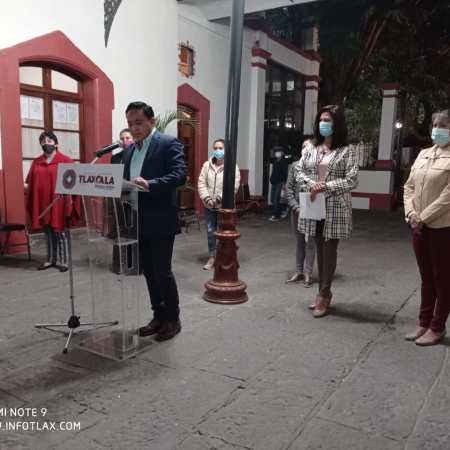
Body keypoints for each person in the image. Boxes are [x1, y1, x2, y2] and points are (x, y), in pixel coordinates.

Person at [122, 102, 186, 342]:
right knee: (148, 271)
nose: (134, 128)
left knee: (162, 271)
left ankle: (173, 319)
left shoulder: (168, 143)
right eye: (130, 124)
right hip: (136, 219)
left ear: (152, 121)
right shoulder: (129, 150)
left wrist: (151, 184)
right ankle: (158, 316)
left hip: (160, 218)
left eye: (139, 123)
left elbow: (179, 175)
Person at [297, 105, 358, 317]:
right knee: (318, 247)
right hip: (315, 204)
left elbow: (352, 180)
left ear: (337, 124)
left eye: (328, 120)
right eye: (321, 120)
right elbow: (298, 171)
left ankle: (324, 294)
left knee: (329, 250)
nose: (323, 124)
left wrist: (326, 186)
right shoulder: (311, 148)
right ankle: (322, 292)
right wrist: (312, 184)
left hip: (335, 207)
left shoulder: (347, 151)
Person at [403, 109, 450, 346]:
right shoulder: (423, 154)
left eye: (443, 125)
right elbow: (408, 187)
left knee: (442, 278)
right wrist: (411, 213)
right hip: (418, 226)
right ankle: (424, 322)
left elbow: (447, 197)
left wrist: (423, 217)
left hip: (442, 227)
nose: (437, 129)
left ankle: (437, 326)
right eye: (435, 125)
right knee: (426, 277)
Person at [26, 131, 80, 271]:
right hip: (42, 202)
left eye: (49, 141)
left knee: (60, 231)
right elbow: (30, 181)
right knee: (47, 231)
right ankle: (50, 259)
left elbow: (75, 183)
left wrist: (71, 201)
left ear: (56, 144)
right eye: (43, 141)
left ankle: (63, 261)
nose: (46, 143)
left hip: (60, 203)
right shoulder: (36, 162)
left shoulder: (66, 161)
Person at [197, 139, 241, 270]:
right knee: (211, 231)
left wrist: (218, 199)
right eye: (215, 148)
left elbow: (233, 185)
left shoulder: (232, 166)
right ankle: (212, 257)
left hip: (225, 207)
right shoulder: (207, 165)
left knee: (225, 232)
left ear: (225, 150)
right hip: (209, 206)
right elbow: (201, 183)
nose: (218, 150)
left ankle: (226, 257)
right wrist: (207, 198)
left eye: (220, 148)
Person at [285, 139, 316, 287]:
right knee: (299, 242)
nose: (306, 149)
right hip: (297, 210)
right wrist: (296, 207)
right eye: (304, 146)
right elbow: (289, 188)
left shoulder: (318, 167)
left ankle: (308, 273)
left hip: (313, 209)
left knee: (311, 242)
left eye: (309, 147)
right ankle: (298, 271)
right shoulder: (295, 166)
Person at [269, 146, 290, 221]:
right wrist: (271, 179)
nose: (276, 153)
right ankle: (281, 211)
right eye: (276, 152)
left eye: (278, 151)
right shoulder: (275, 161)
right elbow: (273, 172)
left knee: (276, 199)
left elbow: (285, 173)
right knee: (272, 199)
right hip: (274, 182)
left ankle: (276, 215)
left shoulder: (284, 162)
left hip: (280, 183)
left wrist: (284, 183)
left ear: (282, 153)